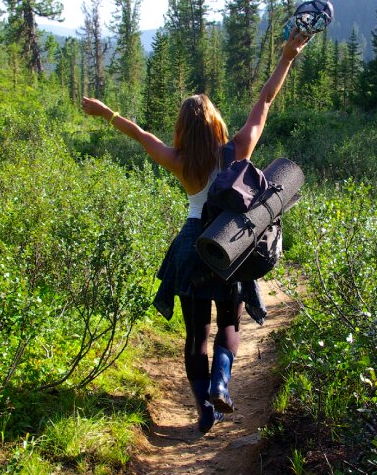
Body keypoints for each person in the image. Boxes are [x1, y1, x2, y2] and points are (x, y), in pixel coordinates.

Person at [81, 27, 311, 434]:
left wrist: (105, 113)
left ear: (183, 130)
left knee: (195, 336)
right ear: (217, 123)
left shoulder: (179, 161)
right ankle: (221, 383)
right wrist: (288, 56)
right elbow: (265, 100)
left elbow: (139, 134)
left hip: (191, 247)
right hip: (227, 245)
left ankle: (205, 411)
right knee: (228, 326)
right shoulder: (238, 148)